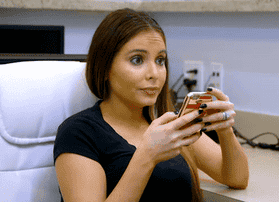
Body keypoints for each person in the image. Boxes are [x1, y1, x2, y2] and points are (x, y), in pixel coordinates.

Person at [53, 8, 249, 202]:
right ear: (105, 68)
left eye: (160, 60)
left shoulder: (171, 123)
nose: (154, 73)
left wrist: (225, 130)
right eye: (137, 60)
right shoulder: (78, 133)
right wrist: (147, 156)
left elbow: (237, 178)